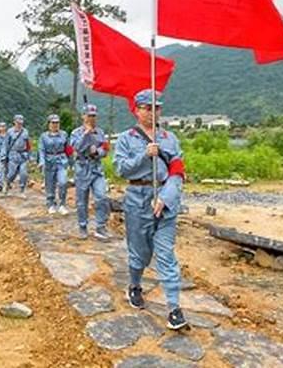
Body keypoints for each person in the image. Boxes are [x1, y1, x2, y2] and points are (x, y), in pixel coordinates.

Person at [112, 89, 188, 330]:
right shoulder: (127, 138)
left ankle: (174, 308)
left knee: (166, 254)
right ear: (136, 110)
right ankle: (134, 284)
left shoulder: (169, 138)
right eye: (147, 107)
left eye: (156, 107)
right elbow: (121, 169)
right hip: (138, 199)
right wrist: (144, 156)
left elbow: (177, 172)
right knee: (140, 254)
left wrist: (165, 197)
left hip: (165, 202)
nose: (152, 112)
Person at [69, 103, 111, 241]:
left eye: (94, 116)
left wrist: (97, 152)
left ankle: (100, 226)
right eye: (89, 116)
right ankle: (82, 226)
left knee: (101, 197)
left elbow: (105, 149)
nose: (92, 119)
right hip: (82, 167)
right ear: (83, 116)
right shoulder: (76, 133)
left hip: (96, 167)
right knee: (82, 201)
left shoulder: (100, 132)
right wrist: (86, 134)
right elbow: (77, 148)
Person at [38, 114, 71, 215]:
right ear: (49, 124)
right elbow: (41, 150)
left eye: (57, 123)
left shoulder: (64, 134)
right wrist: (42, 161)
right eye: (53, 123)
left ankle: (62, 204)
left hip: (61, 160)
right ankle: (50, 203)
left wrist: (71, 162)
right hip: (49, 161)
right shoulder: (44, 136)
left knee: (63, 182)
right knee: (50, 184)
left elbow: (68, 149)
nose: (55, 125)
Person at [2, 114, 31, 198]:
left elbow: (28, 144)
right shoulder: (10, 132)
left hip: (23, 155)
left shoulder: (25, 131)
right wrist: (4, 156)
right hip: (13, 154)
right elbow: (5, 144)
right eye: (18, 122)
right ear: (14, 122)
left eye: (21, 123)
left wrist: (29, 155)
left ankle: (22, 190)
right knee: (12, 173)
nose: (19, 124)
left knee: (23, 173)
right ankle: (7, 184)